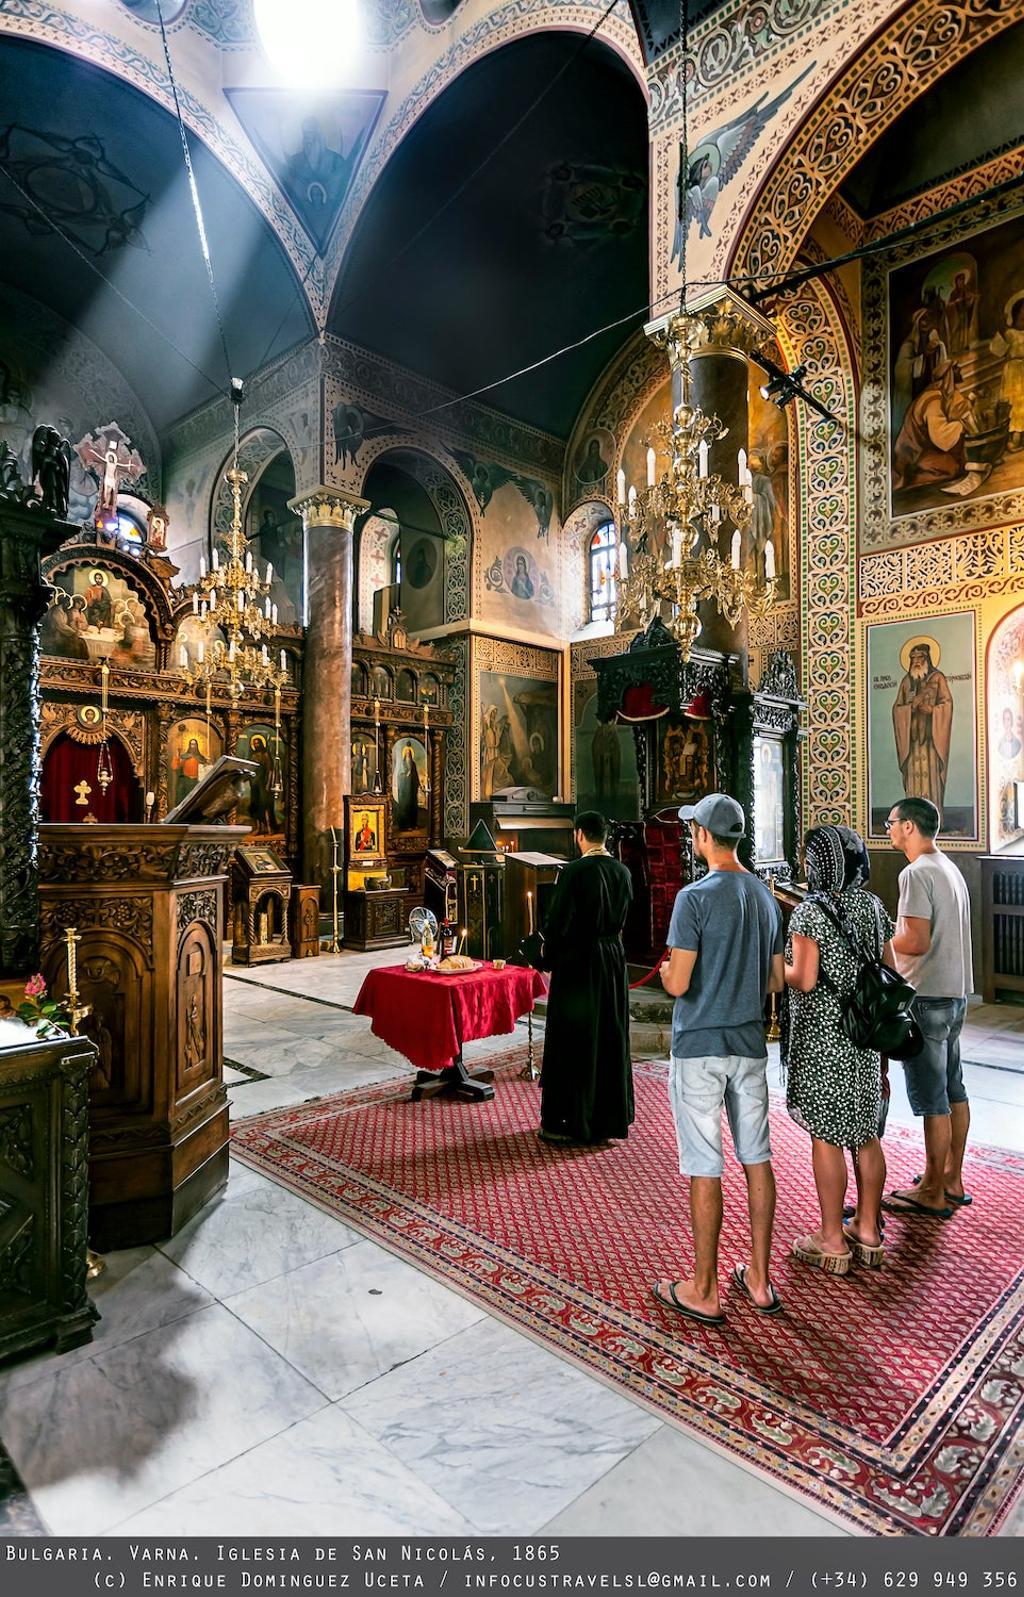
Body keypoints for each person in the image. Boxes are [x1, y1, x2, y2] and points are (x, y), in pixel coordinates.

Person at [655, 793, 785, 1326]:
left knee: (705, 1164)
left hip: (700, 1049)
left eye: (694, 831)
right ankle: (758, 1278)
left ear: (705, 836)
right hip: (750, 1046)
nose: (692, 837)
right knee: (757, 1158)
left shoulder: (694, 898)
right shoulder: (765, 895)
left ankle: (704, 1288)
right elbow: (776, 981)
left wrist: (666, 974)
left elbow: (679, 982)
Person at [784, 825, 895, 1274]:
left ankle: (831, 1238)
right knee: (866, 1133)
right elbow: (890, 968)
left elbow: (804, 980)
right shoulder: (871, 905)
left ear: (819, 865)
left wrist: (780, 966)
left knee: (827, 1136)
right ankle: (867, 1229)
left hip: (824, 1038)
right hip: (866, 1036)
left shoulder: (809, 914)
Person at [883, 797, 974, 1220]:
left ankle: (933, 1190)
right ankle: (951, 1179)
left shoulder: (915, 872)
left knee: (932, 1096)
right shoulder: (948, 867)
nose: (888, 829)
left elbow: (916, 941)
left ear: (910, 827)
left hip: (926, 995)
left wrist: (883, 937)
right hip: (955, 993)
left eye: (891, 822)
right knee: (953, 1087)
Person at [538, 812, 633, 1145]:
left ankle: (568, 1123)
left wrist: (545, 956)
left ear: (579, 835)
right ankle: (606, 1120)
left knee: (574, 1038)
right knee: (608, 1034)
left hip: (579, 963)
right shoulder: (622, 871)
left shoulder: (574, 872)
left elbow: (557, 922)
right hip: (611, 960)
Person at [892, 360, 977, 492]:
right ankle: (910, 477)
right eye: (955, 369)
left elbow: (957, 406)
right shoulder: (933, 400)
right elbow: (941, 437)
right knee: (952, 468)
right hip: (915, 455)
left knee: (960, 464)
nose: (959, 370)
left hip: (929, 449)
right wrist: (959, 426)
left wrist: (970, 401)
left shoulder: (945, 392)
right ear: (948, 375)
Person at [892, 641, 953, 812]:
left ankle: (933, 818)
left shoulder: (937, 678)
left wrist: (932, 710)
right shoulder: (906, 682)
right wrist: (909, 709)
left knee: (930, 780)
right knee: (914, 780)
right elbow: (897, 709)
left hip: (930, 742)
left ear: (927, 658)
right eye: (913, 658)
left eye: (920, 657)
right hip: (912, 744)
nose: (916, 662)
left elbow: (947, 704)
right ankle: (912, 817)